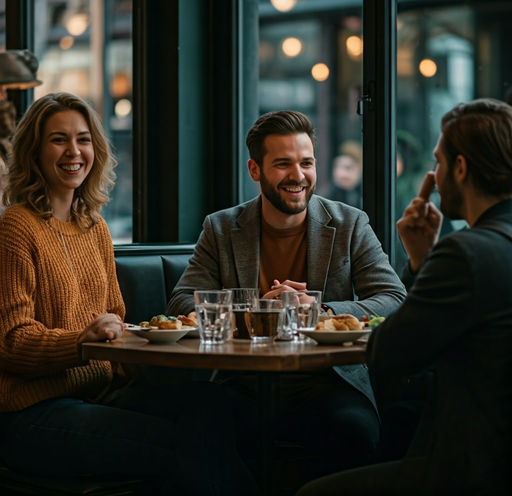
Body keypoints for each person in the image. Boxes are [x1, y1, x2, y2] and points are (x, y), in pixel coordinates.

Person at [0, 92, 257, 495]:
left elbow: (115, 320)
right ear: (34, 150)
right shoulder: (16, 228)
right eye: (58, 139)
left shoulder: (95, 227)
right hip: (32, 412)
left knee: (220, 405)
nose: (74, 151)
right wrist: (80, 342)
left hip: (100, 395)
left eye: (83, 139)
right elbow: (11, 342)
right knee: (190, 445)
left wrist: (151, 342)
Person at [167, 110, 407, 488]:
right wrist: (259, 311)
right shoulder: (221, 227)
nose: (298, 176)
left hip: (328, 384)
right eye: (282, 164)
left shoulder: (349, 223)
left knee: (354, 431)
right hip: (241, 384)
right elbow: (181, 302)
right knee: (198, 415)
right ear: (255, 169)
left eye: (306, 163)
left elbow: (394, 298)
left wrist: (322, 310)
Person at [296, 98, 512, 495]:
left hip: (473, 467)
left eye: (439, 162)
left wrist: (425, 263)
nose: (434, 173)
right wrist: (423, 258)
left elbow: (389, 355)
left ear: (460, 168)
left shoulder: (466, 253)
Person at [328, 140, 362, 208]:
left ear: (359, 168)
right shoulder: (328, 198)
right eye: (337, 167)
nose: (341, 174)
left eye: (348, 167)